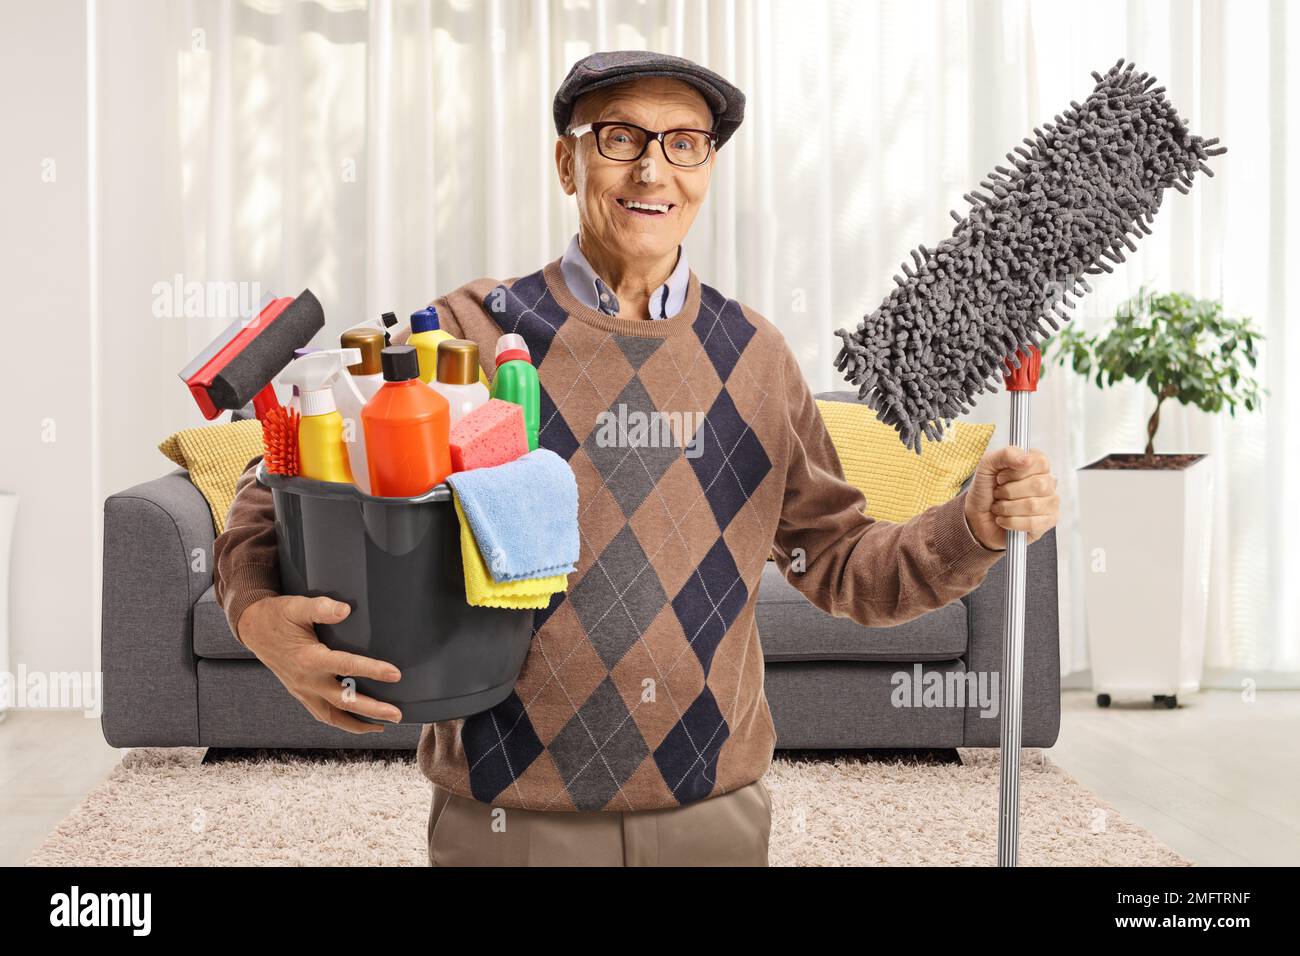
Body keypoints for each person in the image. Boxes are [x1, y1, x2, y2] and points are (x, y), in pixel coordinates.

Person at [214, 50, 1060, 867]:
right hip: (506, 817)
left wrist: (972, 526)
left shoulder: (756, 358)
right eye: (619, 137)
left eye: (684, 144)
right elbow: (278, 480)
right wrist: (257, 616)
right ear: (565, 160)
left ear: (707, 168)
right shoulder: (463, 336)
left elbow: (840, 565)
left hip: (712, 816)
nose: (653, 171)